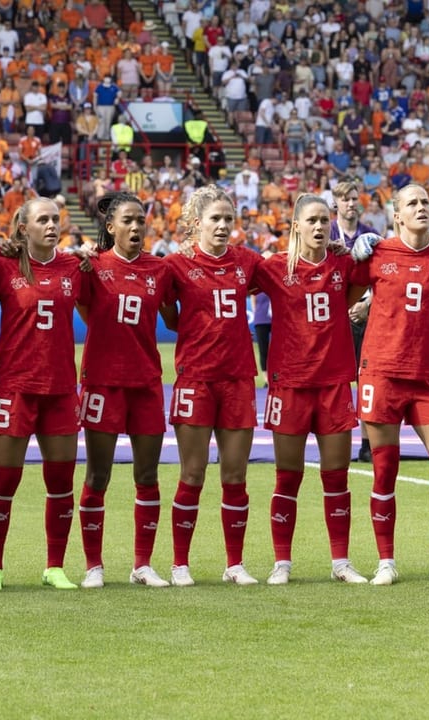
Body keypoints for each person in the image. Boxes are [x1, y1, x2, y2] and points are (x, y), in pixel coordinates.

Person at [350, 183, 429, 585]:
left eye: (425, 202)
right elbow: (347, 293)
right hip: (381, 373)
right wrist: (353, 254)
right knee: (384, 469)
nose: (421, 207)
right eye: (412, 203)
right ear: (396, 215)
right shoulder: (376, 253)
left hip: (428, 379)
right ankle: (386, 562)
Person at [252, 194, 369, 585]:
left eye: (324, 220)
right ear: (296, 226)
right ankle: (281, 563)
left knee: (337, 476)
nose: (319, 227)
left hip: (334, 383)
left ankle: (341, 563)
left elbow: (361, 288)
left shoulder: (343, 263)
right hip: (289, 385)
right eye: (312, 221)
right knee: (288, 476)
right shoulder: (273, 268)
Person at [0, 198, 84, 591]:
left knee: (60, 482)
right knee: (4, 480)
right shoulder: (4, 267)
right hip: (15, 386)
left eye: (56, 219)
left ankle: (54, 565)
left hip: (59, 389)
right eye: (43, 219)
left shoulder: (75, 267)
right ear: (23, 227)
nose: (52, 225)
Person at [160, 185, 261, 587]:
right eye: (215, 219)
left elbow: (292, 271)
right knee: (193, 473)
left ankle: (234, 563)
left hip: (238, 378)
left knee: (235, 476)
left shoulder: (247, 262)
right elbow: (169, 315)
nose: (222, 226)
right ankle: (180, 564)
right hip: (196, 378)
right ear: (196, 222)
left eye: (228, 220)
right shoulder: (175, 265)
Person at [77, 191, 173, 589]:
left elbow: (177, 319)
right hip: (103, 381)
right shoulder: (91, 266)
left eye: (141, 220)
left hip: (146, 383)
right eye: (128, 221)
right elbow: (85, 311)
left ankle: (142, 564)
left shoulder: (161, 270)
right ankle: (93, 566)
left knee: (147, 474)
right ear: (110, 226)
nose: (136, 227)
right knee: (98, 475)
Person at [330, 180, 378, 463]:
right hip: (333, 318)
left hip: (364, 316)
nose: (351, 203)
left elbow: (384, 277)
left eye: (354, 198)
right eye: (345, 198)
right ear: (335, 202)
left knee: (366, 379)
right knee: (336, 381)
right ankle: (336, 437)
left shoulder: (371, 235)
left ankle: (366, 444)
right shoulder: (326, 231)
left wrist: (366, 305)